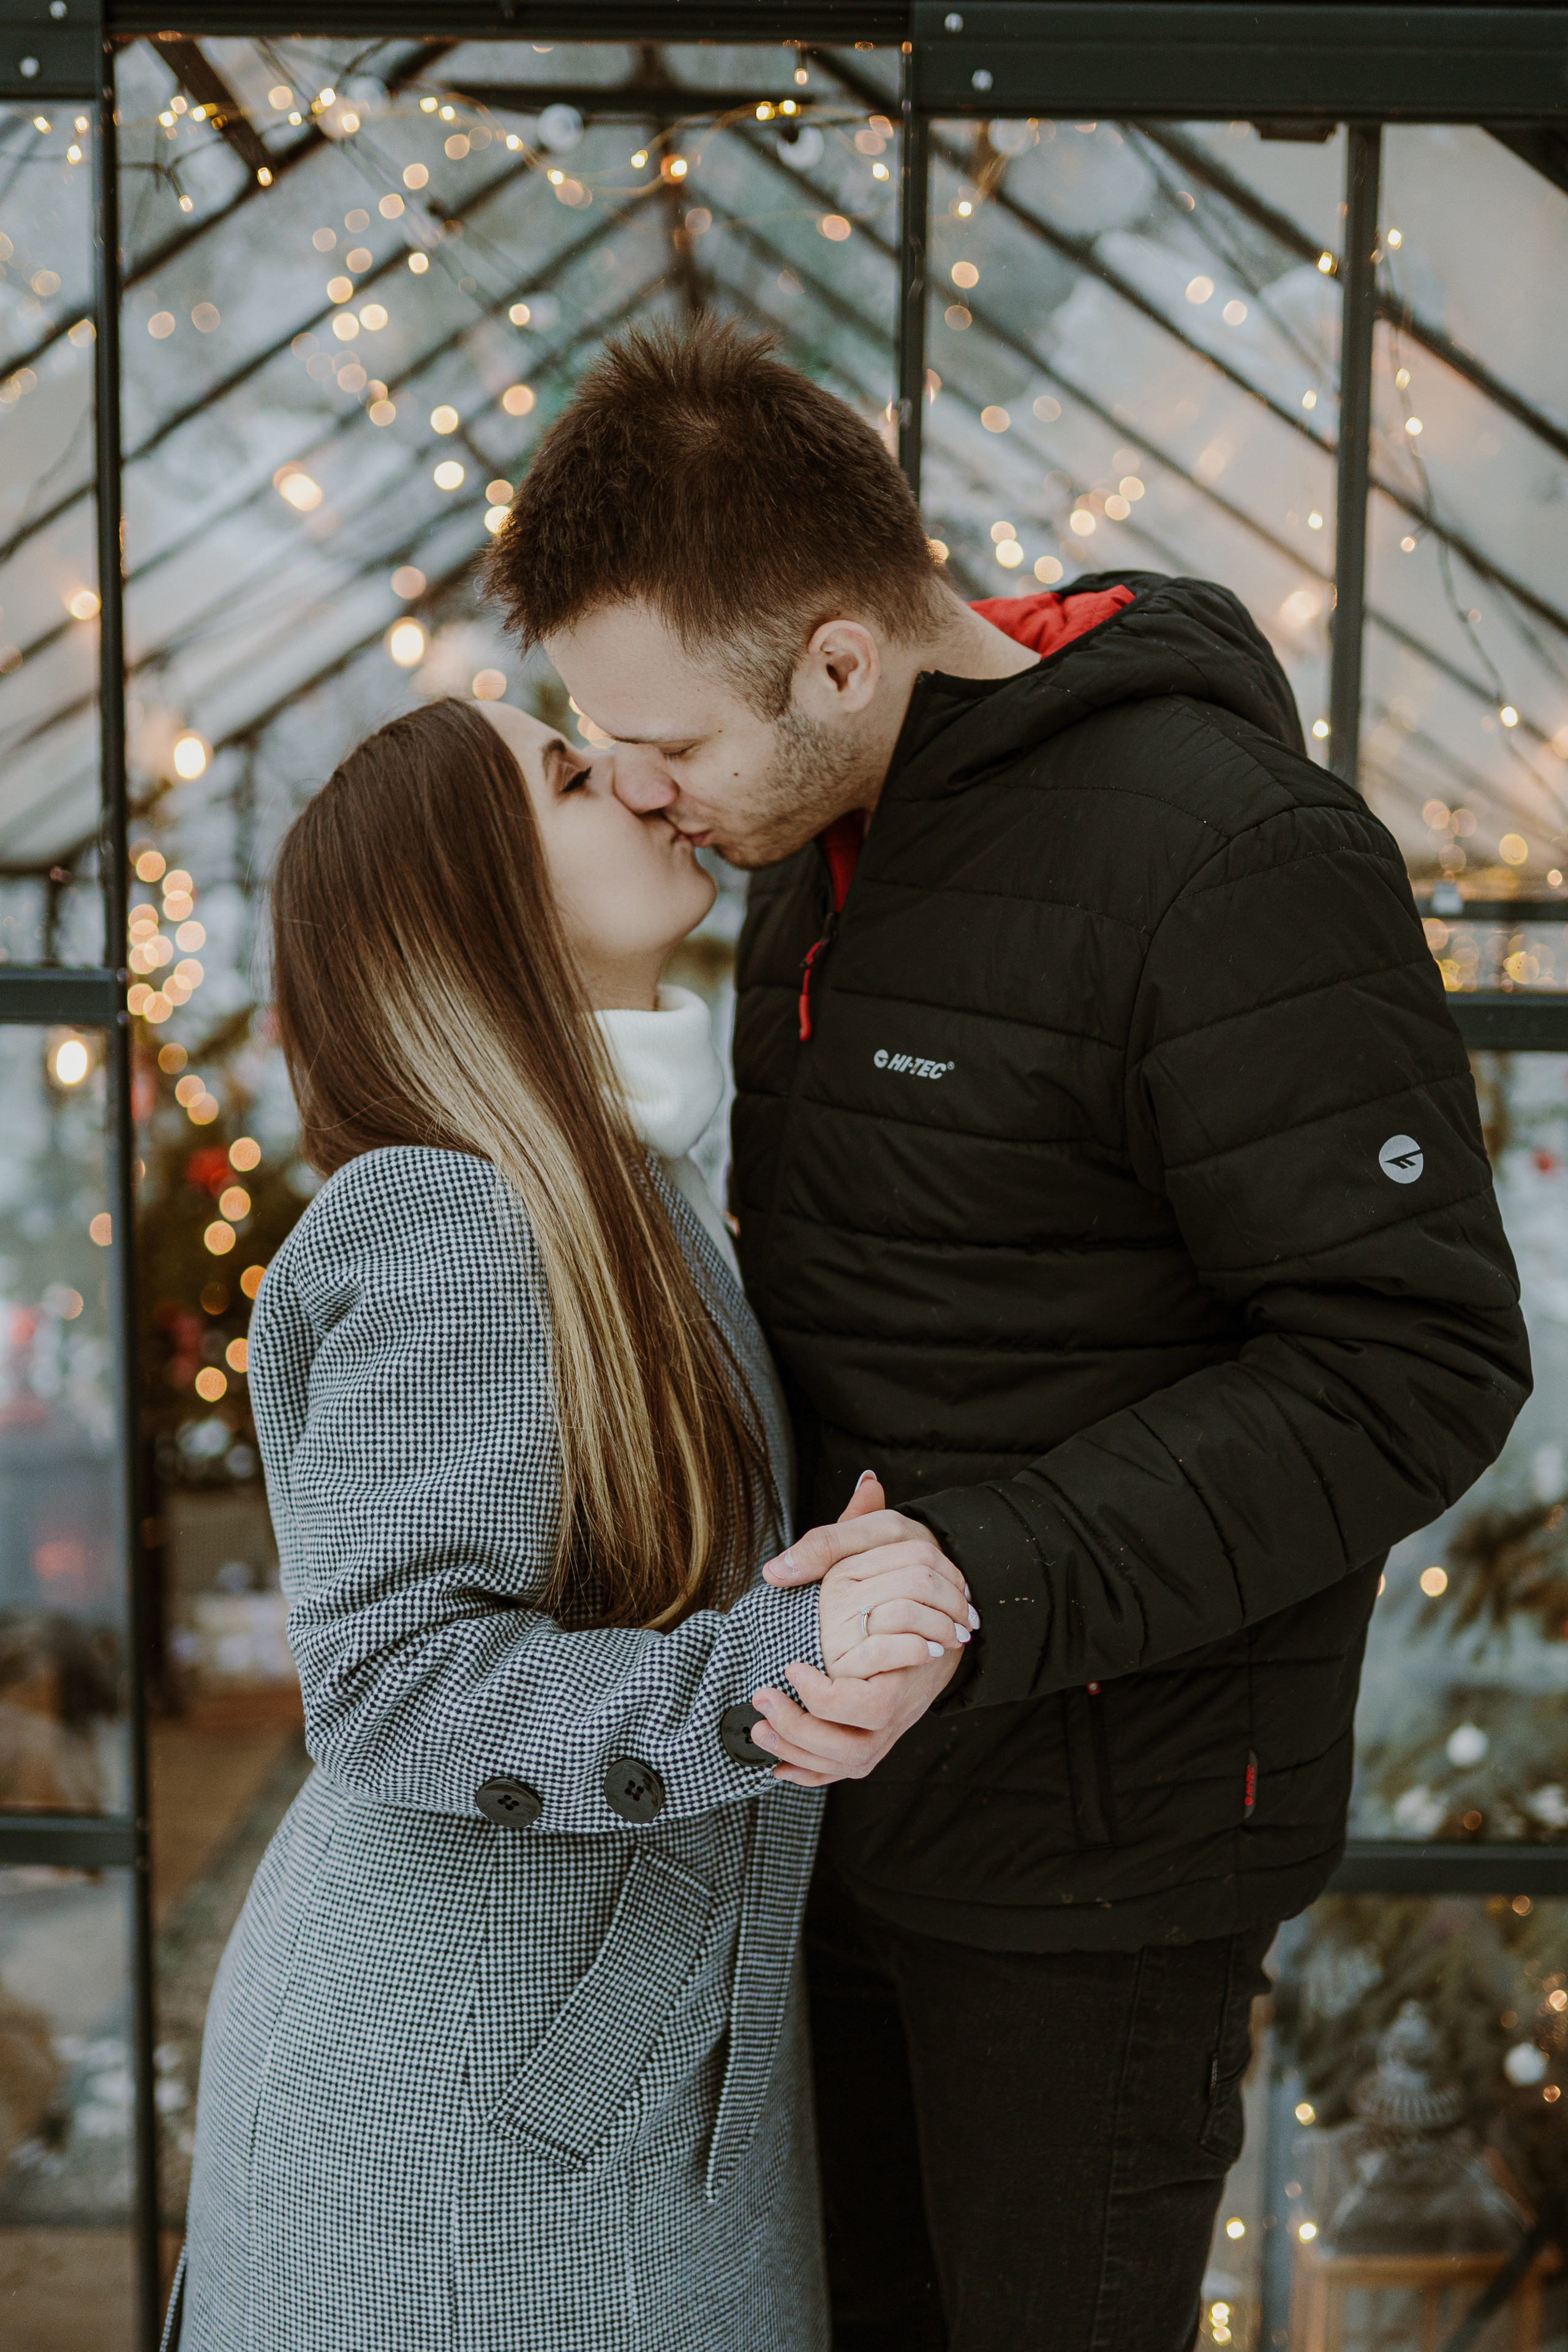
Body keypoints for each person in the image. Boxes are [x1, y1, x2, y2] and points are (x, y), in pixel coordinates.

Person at [486, 321, 1532, 2350]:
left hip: (1096, 1863)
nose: (636, 790)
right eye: (600, 739)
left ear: (843, 658)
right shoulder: (808, 852)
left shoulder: (1228, 859)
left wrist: (984, 1576)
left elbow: (1416, 1360)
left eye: (671, 745)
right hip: (823, 1809)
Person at [173, 695, 976, 2352]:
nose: (637, 778)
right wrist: (785, 1659)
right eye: (565, 772)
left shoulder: (618, 1177)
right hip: (468, 2112)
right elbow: (392, 1677)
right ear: (476, 891)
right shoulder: (452, 1206)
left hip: (587, 2078)